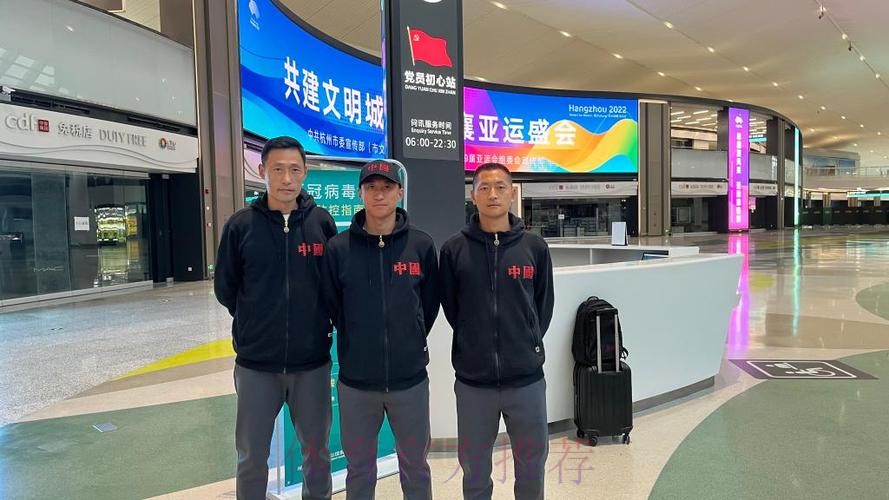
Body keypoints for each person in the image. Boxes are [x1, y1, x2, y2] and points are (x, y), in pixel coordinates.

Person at [214, 136, 336, 500]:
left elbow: (332, 286)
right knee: (251, 456)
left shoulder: (321, 223)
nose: (286, 178)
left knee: (317, 454)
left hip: (311, 364)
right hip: (256, 365)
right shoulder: (240, 226)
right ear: (261, 170)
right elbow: (226, 288)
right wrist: (256, 320)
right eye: (278, 169)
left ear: (305, 173)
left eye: (295, 170)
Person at [321, 160, 439, 500]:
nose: (379, 194)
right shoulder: (339, 249)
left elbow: (429, 304)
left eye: (387, 187)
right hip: (357, 384)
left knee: (415, 467)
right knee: (359, 470)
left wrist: (411, 336)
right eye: (371, 187)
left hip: (410, 381)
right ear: (360, 194)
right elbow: (332, 305)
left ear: (399, 193)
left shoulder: (421, 245)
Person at [439, 162, 555, 500]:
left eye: (500, 187)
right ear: (473, 195)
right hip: (474, 383)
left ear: (511, 194)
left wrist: (526, 342)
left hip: (526, 380)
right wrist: (474, 343)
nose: (493, 194)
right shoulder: (454, 250)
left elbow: (542, 306)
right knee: (475, 471)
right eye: (484, 188)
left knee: (531, 468)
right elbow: (452, 309)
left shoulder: (534, 247)